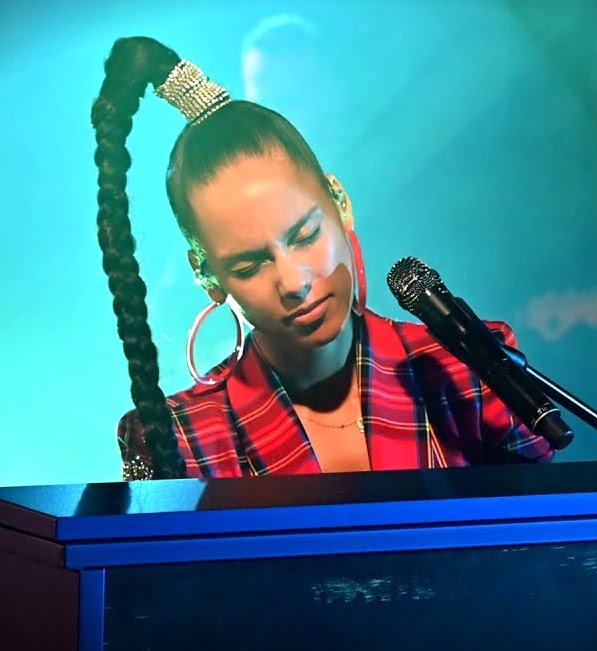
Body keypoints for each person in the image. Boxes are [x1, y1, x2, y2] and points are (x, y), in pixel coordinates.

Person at [91, 36, 556, 481]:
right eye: (249, 266)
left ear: (340, 202)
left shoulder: (466, 370)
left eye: (306, 235)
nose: (294, 282)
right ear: (206, 275)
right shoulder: (180, 439)